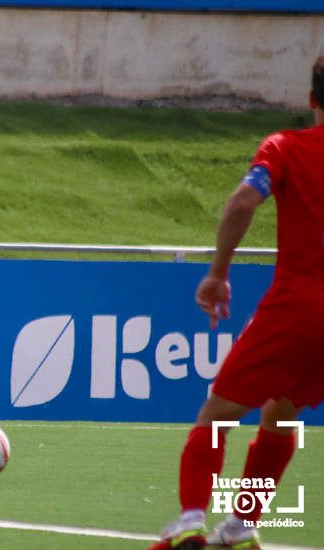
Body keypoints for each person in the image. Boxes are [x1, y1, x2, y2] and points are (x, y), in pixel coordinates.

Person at [150, 56, 324, 550]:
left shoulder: (286, 147)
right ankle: (241, 526)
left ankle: (189, 521)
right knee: (282, 413)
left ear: (311, 98)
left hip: (298, 305)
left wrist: (218, 274)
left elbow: (244, 201)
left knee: (216, 416)